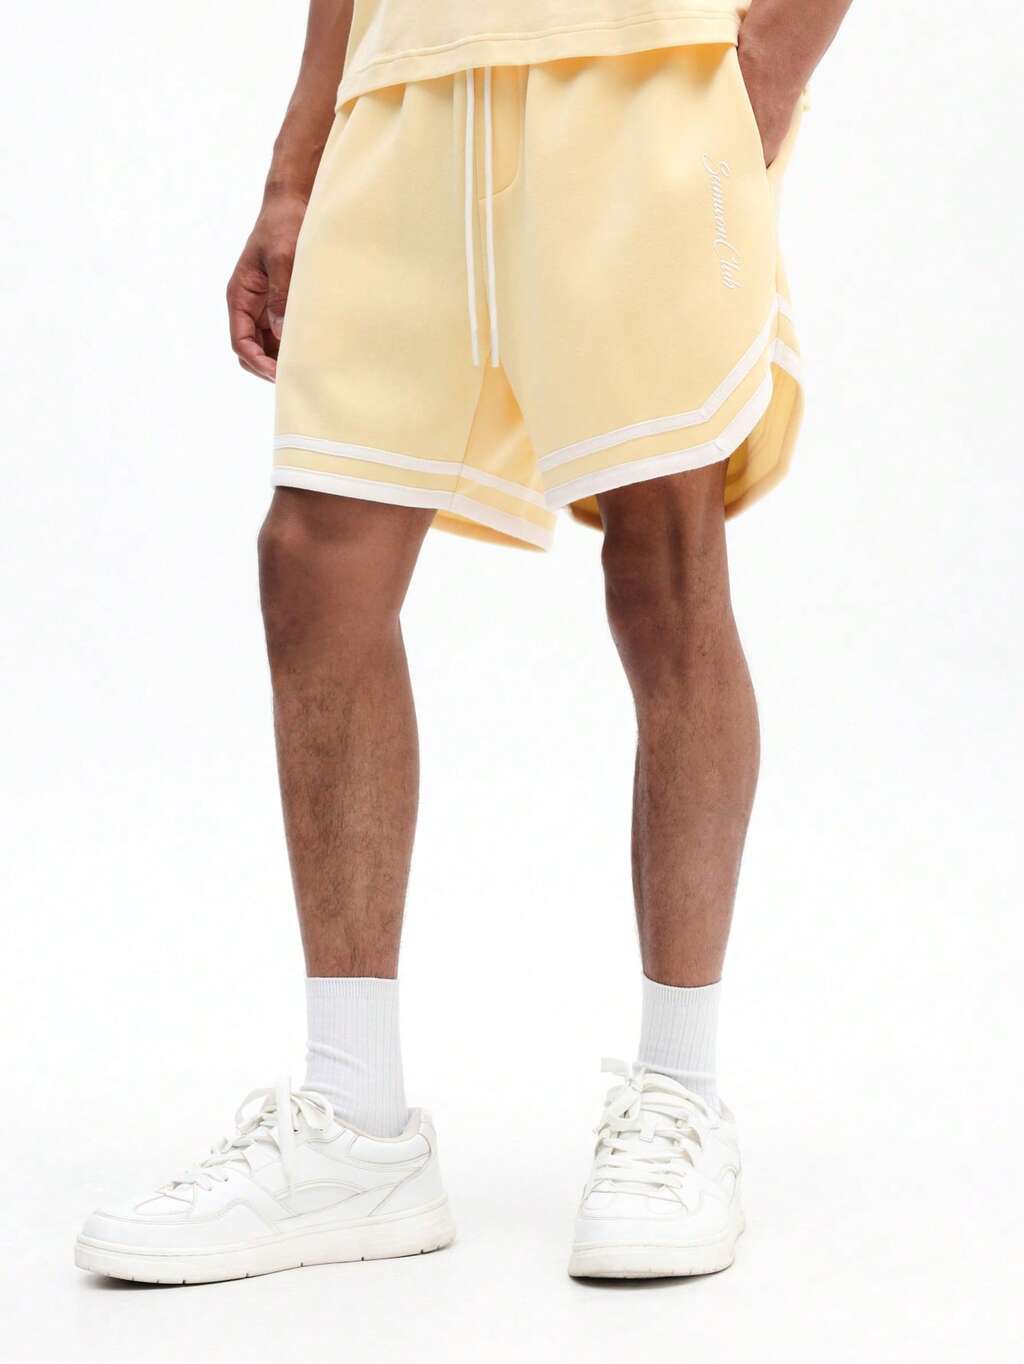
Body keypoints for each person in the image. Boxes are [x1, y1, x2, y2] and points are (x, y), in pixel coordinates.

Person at [76, 0, 853, 1284]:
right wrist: (295, 165)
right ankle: (355, 1121)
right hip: (404, 87)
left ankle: (677, 1091)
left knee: (665, 555)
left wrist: (767, 66)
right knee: (315, 552)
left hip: (642, 69)